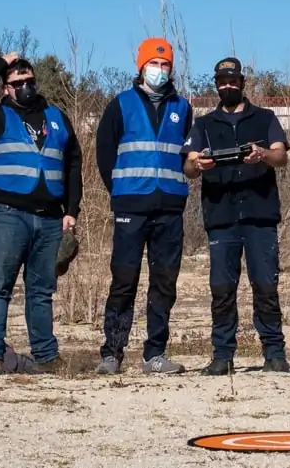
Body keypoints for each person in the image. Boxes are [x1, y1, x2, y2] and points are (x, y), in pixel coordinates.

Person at [0, 52, 82, 376]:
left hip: (49, 217)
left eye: (30, 81)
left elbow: (73, 163)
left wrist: (71, 211)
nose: (25, 87)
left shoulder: (56, 117)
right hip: (7, 214)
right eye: (17, 83)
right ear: (5, 88)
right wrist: (2, 63)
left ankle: (46, 355)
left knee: (42, 290)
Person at [181, 57, 290, 375]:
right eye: (222, 81)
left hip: (260, 215)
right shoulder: (203, 125)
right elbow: (189, 167)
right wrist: (198, 164)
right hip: (221, 216)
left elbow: (281, 156)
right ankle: (222, 355)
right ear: (216, 85)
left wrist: (264, 155)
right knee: (221, 288)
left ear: (242, 82)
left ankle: (274, 354)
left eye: (232, 80)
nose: (227, 86)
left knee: (266, 286)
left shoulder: (265, 118)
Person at [93, 37, 192, 376]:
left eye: (165, 65)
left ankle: (155, 354)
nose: (160, 70)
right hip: (130, 205)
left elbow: (189, 156)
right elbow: (104, 154)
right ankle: (112, 353)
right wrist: (120, 191)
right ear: (141, 66)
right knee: (124, 278)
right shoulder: (119, 105)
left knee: (165, 281)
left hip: (170, 207)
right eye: (154, 64)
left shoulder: (184, 107)